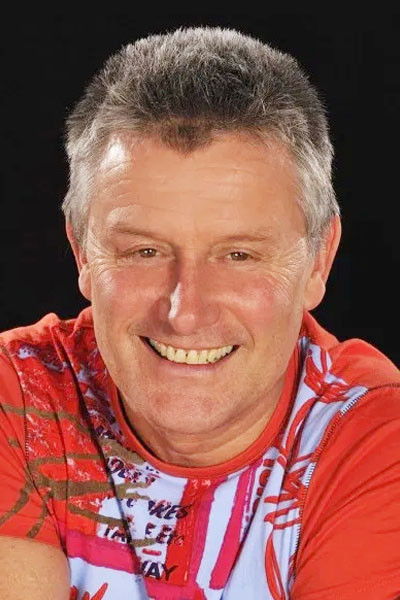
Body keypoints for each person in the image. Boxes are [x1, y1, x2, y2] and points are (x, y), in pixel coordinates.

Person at [0, 26, 398, 600]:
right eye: (144, 251)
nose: (184, 312)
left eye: (239, 255)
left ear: (318, 260)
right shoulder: (18, 395)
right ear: (82, 252)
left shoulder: (373, 442)